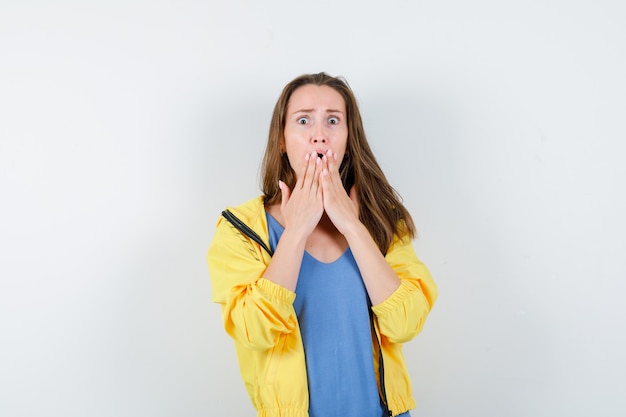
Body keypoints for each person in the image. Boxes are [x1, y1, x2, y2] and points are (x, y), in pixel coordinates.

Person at [207, 72, 438, 417]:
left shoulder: (383, 221)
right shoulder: (240, 228)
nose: (319, 135)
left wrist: (352, 226)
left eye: (333, 120)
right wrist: (296, 230)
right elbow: (253, 330)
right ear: (282, 140)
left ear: (348, 139)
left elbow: (406, 324)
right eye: (304, 120)